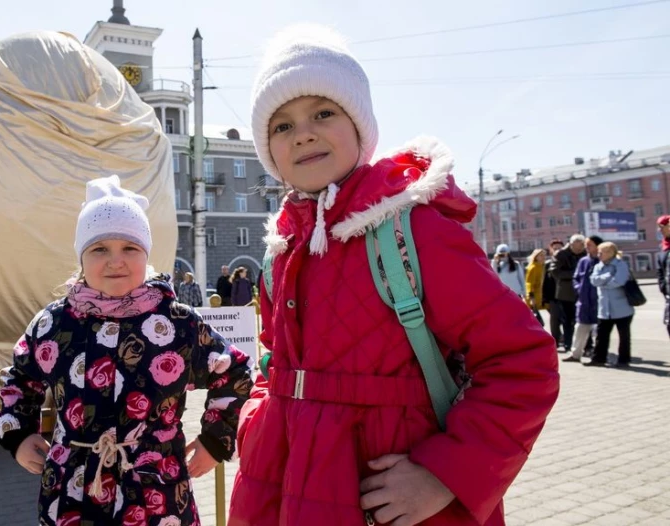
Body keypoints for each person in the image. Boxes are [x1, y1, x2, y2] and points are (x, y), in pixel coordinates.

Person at [228, 25, 558, 526]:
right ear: (268, 152)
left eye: (323, 112)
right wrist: (256, 420)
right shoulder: (282, 252)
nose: (304, 133)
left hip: (390, 496)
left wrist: (445, 474)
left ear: (360, 127)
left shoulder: (412, 231)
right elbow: (272, 357)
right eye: (282, 125)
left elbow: (523, 360)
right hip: (283, 484)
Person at [0, 175, 253, 525]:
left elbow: (233, 372)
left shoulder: (176, 322)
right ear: (81, 256)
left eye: (129, 248)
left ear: (146, 255)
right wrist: (19, 434)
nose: (115, 261)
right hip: (73, 489)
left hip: (156, 490)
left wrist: (214, 440)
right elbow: (20, 379)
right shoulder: (55, 323)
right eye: (99, 249)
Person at [586, 242, 634, 368]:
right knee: (601, 335)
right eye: (599, 252)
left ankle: (623, 360)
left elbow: (619, 280)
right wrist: (608, 276)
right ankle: (598, 359)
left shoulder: (620, 264)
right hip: (604, 308)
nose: (599, 255)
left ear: (610, 252)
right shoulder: (598, 266)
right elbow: (593, 280)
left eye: (602, 252)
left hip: (621, 308)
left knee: (624, 336)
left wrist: (603, 283)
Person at [563, 236, 603, 363]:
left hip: (598, 301)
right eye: (586, 244)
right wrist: (578, 288)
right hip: (583, 301)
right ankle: (575, 354)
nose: (586, 247)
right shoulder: (583, 261)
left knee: (598, 330)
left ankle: (597, 354)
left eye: (589, 244)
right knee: (580, 328)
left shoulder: (603, 261)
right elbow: (576, 278)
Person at [551, 234, 586, 352]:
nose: (579, 250)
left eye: (581, 247)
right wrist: (576, 274)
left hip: (582, 292)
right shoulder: (560, 254)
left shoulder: (585, 254)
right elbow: (555, 272)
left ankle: (585, 345)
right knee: (568, 320)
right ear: (571, 244)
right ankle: (568, 343)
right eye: (577, 247)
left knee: (583, 320)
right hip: (566, 293)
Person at [544, 239, 566, 348]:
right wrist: (545, 299)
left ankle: (568, 342)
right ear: (551, 250)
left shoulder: (568, 262)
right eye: (555, 248)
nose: (558, 250)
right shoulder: (548, 264)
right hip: (553, 297)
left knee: (568, 320)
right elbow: (545, 282)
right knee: (555, 322)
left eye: (560, 248)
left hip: (567, 297)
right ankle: (555, 342)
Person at [524, 249, 546, 326]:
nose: (543, 257)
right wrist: (531, 297)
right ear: (536, 257)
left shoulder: (541, 266)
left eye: (544, 255)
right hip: (533, 297)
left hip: (539, 295)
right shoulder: (533, 267)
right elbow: (529, 283)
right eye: (541, 255)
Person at [657, 215, 670, 341]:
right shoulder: (664, 248)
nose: (659, 230)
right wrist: (663, 287)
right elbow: (660, 270)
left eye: (662, 227)